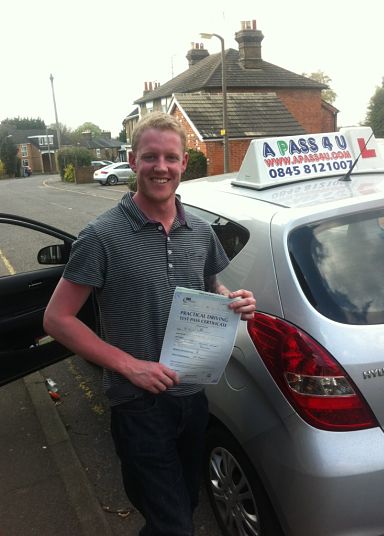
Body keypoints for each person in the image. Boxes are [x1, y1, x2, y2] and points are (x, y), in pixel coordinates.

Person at [43, 111, 256, 536]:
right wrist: (129, 366)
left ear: (183, 164)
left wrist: (232, 299)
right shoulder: (101, 236)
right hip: (137, 404)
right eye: (150, 157)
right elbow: (57, 319)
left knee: (184, 506)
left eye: (171, 158)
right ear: (134, 161)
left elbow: (210, 283)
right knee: (173, 523)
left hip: (193, 396)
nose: (161, 167)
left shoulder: (198, 229)